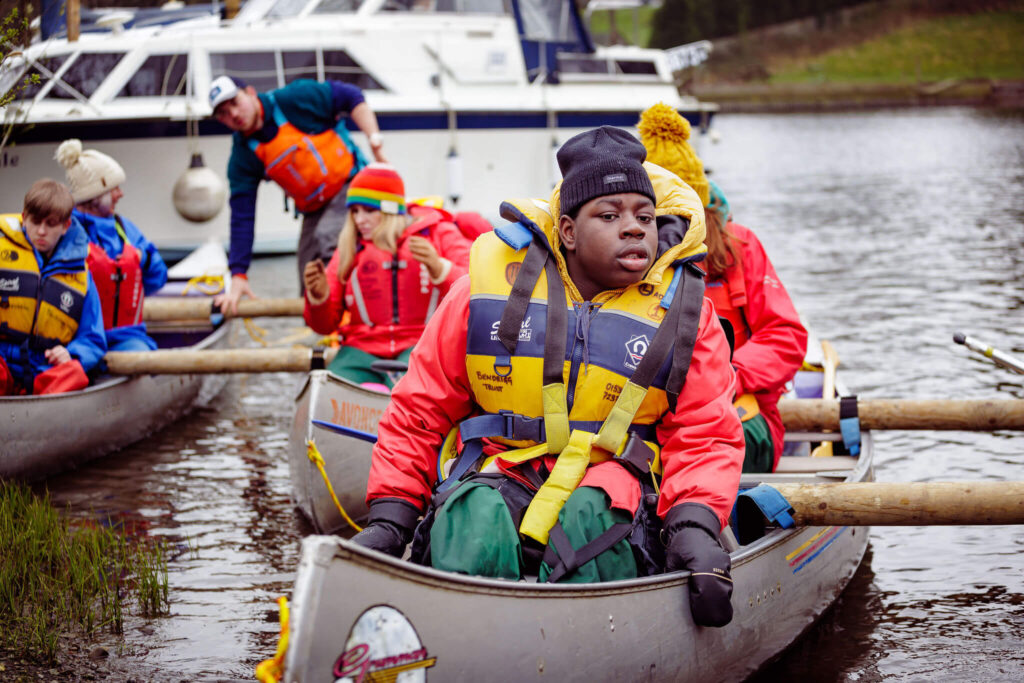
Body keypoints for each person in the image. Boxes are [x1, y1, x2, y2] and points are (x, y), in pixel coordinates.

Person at [350, 127, 744, 628]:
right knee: (472, 517)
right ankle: (464, 644)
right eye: (610, 215)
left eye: (644, 217)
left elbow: (705, 433)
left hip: (618, 484)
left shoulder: (688, 313)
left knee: (591, 520)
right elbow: (417, 413)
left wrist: (696, 525)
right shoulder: (479, 294)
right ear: (568, 231)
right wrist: (390, 517)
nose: (634, 229)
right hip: (506, 468)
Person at [638, 102, 808, 473]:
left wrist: (726, 375)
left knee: (709, 454)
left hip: (737, 413)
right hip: (644, 420)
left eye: (679, 218)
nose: (669, 233)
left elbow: (785, 335)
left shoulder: (741, 246)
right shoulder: (619, 255)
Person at [208, 75, 388, 313]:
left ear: (250, 92)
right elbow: (242, 216)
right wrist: (239, 274)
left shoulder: (295, 99)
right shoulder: (243, 156)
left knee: (328, 236)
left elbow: (351, 95)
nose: (233, 114)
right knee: (308, 269)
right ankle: (321, 326)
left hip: (352, 185)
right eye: (222, 113)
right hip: (314, 207)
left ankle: (352, 311)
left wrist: (375, 141)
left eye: (234, 102)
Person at [302, 163, 473, 390]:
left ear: (392, 210)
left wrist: (440, 268)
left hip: (422, 346)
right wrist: (318, 299)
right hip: (359, 352)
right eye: (354, 212)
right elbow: (324, 326)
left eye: (369, 210)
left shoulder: (437, 233)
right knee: (325, 389)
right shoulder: (349, 247)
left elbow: (476, 289)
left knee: (411, 391)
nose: (359, 220)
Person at [56, 139, 168, 352]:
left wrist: (142, 259)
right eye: (114, 188)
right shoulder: (64, 230)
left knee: (140, 352)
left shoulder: (126, 230)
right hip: (76, 339)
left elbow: (158, 279)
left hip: (125, 339)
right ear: (93, 195)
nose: (120, 194)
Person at [0, 179, 106, 395]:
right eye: (35, 221)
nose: (41, 231)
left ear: (66, 226)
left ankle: (40, 415)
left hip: (44, 370)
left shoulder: (82, 276)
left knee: (75, 373)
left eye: (50, 224)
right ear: (23, 217)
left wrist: (72, 354)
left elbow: (93, 338)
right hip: (2, 363)